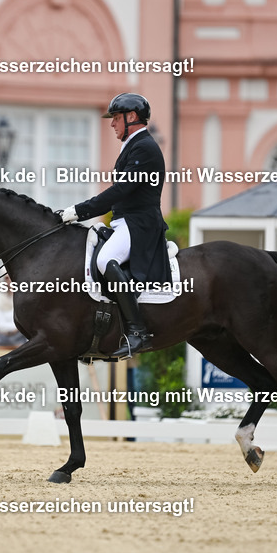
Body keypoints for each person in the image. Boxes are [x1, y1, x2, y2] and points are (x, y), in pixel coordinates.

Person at [58, 92, 169, 358]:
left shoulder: (144, 147)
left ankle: (138, 332)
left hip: (139, 223)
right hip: (124, 222)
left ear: (132, 117)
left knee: (105, 259)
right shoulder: (132, 145)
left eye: (116, 118)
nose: (112, 124)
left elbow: (121, 191)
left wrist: (79, 211)